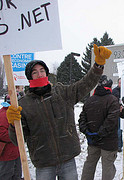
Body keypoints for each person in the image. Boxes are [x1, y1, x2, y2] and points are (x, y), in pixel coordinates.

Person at [6, 44, 112, 180]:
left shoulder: (62, 93)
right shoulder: (24, 104)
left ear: (47, 73)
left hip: (67, 157)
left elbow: (85, 84)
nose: (40, 74)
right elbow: (18, 140)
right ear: (29, 77)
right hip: (43, 161)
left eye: (42, 70)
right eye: (35, 72)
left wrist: (98, 65)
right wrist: (13, 125)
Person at [79, 75, 119, 180]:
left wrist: (88, 132)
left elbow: (82, 119)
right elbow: (111, 121)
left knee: (90, 164)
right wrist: (99, 133)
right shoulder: (113, 100)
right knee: (108, 167)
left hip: (93, 140)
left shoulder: (90, 100)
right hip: (108, 141)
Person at [0, 94, 22, 180]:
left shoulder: (15, 113)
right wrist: (16, 137)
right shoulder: (4, 114)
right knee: (6, 176)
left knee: (16, 175)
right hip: (6, 154)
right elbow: (2, 133)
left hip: (15, 152)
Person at [112, 78, 123, 152]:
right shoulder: (115, 91)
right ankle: (119, 145)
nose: (121, 84)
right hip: (118, 112)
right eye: (120, 83)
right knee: (118, 130)